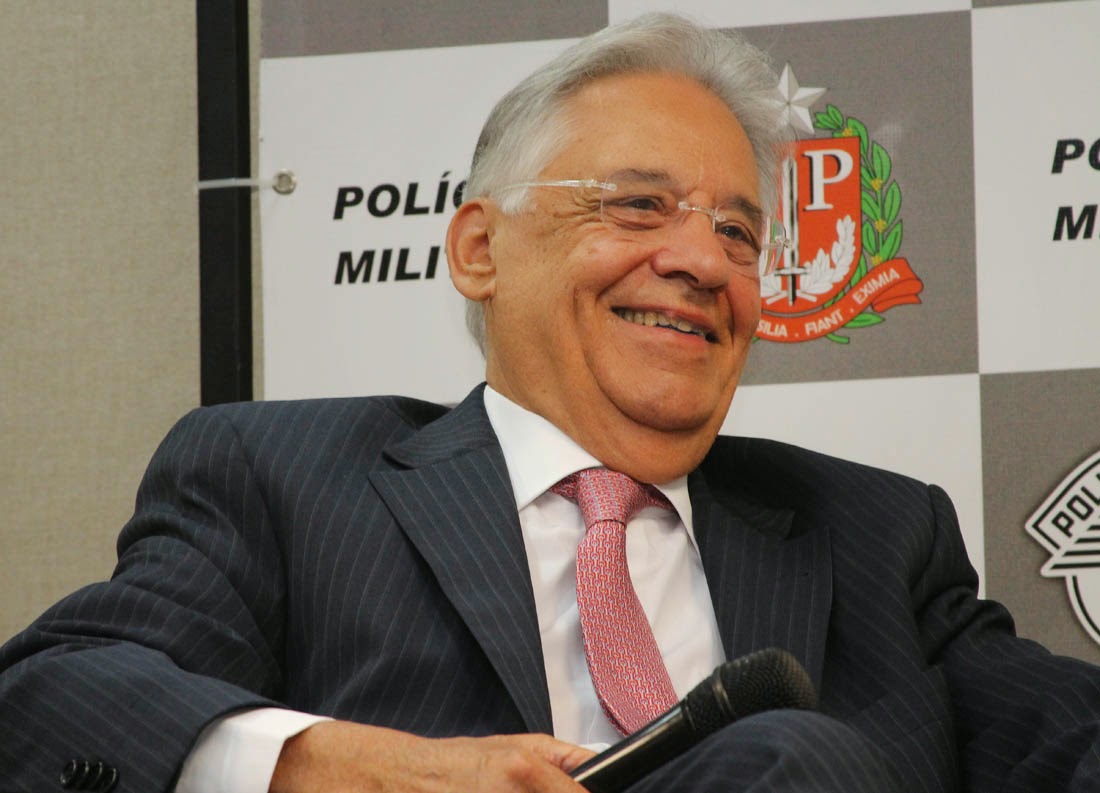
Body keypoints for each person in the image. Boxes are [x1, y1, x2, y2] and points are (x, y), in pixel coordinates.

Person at [3, 12, 1100, 793]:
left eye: (737, 232)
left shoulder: (878, 535)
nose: (701, 261)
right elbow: (48, 701)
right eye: (638, 206)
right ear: (480, 249)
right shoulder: (284, 478)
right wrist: (353, 767)